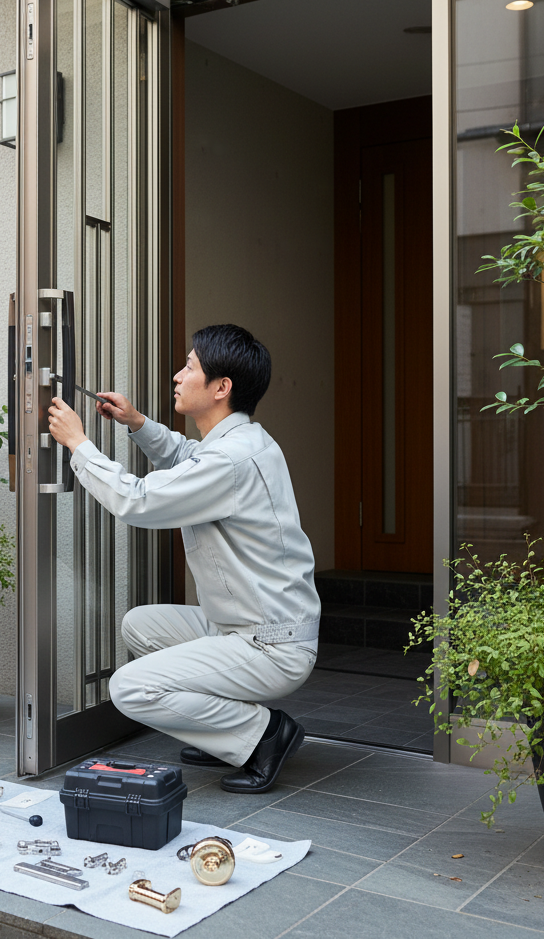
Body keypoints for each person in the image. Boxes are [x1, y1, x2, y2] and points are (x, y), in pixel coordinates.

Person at [47, 324, 320, 793]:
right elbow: (186, 457)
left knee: (129, 688)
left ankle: (262, 736)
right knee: (140, 625)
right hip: (248, 624)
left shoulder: (231, 460)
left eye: (189, 367)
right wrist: (137, 423)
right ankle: (222, 733)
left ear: (221, 388)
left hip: (270, 643)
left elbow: (138, 502)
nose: (177, 375)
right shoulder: (239, 442)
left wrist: (79, 444)